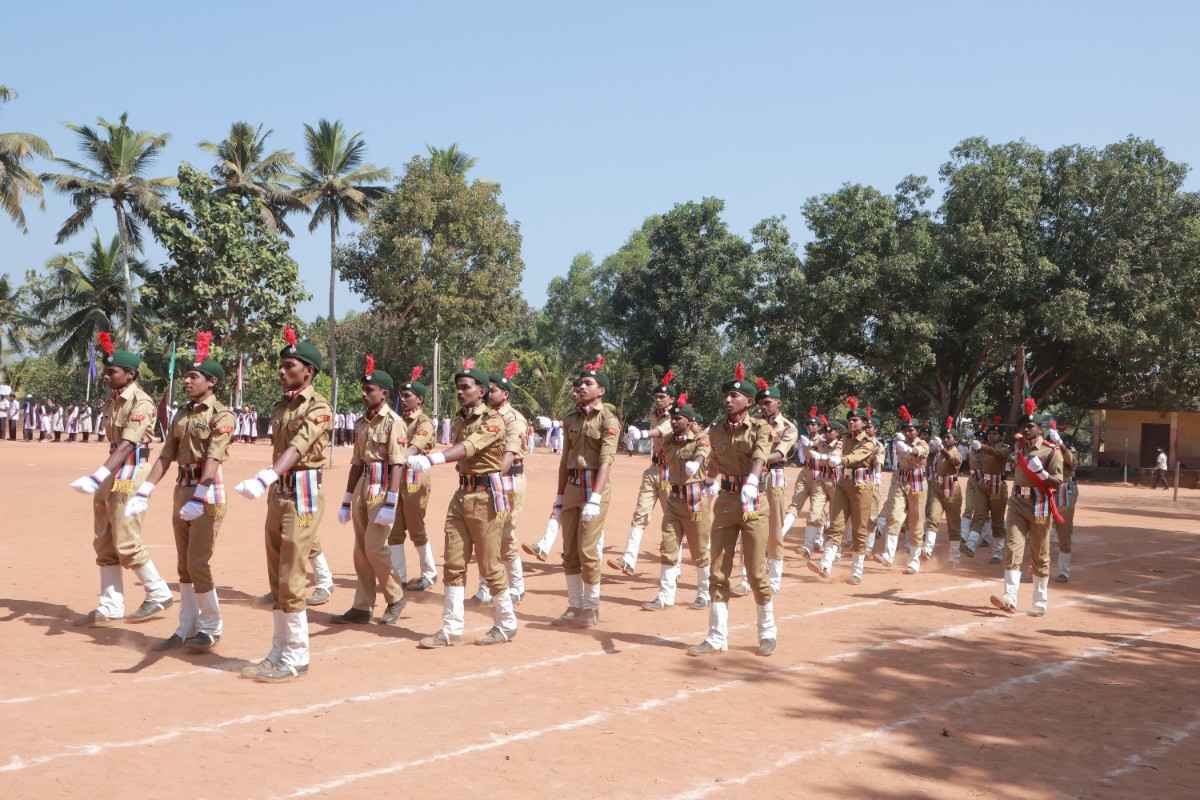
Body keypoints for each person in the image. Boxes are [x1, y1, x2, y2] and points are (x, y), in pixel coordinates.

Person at [234, 326, 333, 683]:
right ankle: (278, 650)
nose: (281, 371)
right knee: (277, 575)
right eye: (281, 365)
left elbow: (299, 446)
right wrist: (272, 480)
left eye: (289, 366)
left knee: (292, 576)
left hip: (302, 494)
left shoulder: (319, 407)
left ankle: (296, 656)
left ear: (308, 371)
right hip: (279, 493)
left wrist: (267, 475)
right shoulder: (281, 406)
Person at [125, 332, 234, 652]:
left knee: (198, 561)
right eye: (186, 375)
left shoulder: (221, 414)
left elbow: (214, 457)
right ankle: (186, 624)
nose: (186, 381)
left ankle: (211, 626)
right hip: (182, 488)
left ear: (211, 382)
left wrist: (200, 497)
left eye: (194, 376)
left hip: (207, 492)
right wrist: (145, 490)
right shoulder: (182, 413)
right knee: (184, 564)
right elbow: (167, 455)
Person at [410, 357, 517, 648]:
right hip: (462, 493)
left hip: (486, 496)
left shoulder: (493, 420)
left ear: (481, 391)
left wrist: (432, 459)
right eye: (458, 387)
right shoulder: (459, 419)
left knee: (489, 564)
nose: (460, 391)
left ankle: (506, 623)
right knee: (454, 563)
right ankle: (451, 628)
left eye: (466, 387)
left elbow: (469, 447)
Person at [68, 332, 173, 626]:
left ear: (130, 374)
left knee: (125, 536)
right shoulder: (113, 400)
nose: (106, 375)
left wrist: (99, 474)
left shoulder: (141, 402)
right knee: (104, 538)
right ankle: (110, 604)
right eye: (106, 370)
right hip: (114, 467)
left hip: (131, 469)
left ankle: (158, 592)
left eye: (111, 371)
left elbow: (128, 443)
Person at [687, 362, 776, 657]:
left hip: (753, 500)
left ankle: (767, 631)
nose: (727, 399)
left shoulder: (761, 427)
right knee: (718, 571)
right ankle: (716, 636)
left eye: (734, 396)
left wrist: (752, 480)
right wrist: (709, 481)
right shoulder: (717, 430)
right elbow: (715, 459)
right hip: (726, 500)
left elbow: (760, 455)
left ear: (748, 401)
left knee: (756, 572)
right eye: (726, 395)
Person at [329, 355, 408, 627]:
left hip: (383, 487)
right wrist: (346, 498)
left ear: (383, 393)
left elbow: (397, 463)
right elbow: (356, 463)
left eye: (369, 390)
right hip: (363, 485)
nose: (364, 394)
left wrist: (392, 500)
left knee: (375, 547)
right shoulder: (362, 423)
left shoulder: (394, 422)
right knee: (360, 550)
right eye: (363, 389)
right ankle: (362, 606)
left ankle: (396, 596)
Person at [546, 356, 620, 628]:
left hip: (594, 488)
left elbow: (607, 460)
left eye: (588, 383)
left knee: (587, 550)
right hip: (573, 487)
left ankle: (591, 607)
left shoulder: (608, 420)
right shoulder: (570, 419)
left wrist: (596, 498)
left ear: (601, 391)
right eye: (579, 383)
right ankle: (574, 605)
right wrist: (559, 496)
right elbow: (564, 460)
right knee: (569, 551)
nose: (581, 387)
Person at [991, 398, 1064, 616]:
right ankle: (1009, 597)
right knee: (1012, 547)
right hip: (1017, 502)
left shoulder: (1051, 451)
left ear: (1040, 428)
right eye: (1023, 426)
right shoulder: (1019, 448)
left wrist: (1042, 473)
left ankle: (1040, 602)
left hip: (1039, 503)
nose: (1026, 429)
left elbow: (1058, 482)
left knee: (1040, 553)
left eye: (1030, 425)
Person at [643, 393, 711, 610]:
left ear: (689, 421)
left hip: (695, 500)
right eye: (672, 418)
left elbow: (703, 451)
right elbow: (660, 444)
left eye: (678, 418)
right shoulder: (668, 440)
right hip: (674, 498)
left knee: (699, 549)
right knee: (668, 546)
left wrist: (697, 463)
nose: (673, 421)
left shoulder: (700, 439)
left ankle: (704, 593)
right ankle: (665, 596)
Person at [472, 361, 529, 605]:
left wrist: (492, 476)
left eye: (493, 390)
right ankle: (485, 586)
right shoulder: (484, 416)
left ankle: (517, 586)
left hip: (508, 479)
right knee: (485, 534)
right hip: (487, 479)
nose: (488, 393)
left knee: (506, 535)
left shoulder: (514, 418)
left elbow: (511, 452)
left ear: (505, 394)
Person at [611, 370, 676, 576]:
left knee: (672, 518)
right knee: (640, 514)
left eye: (662, 396)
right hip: (653, 469)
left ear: (671, 399)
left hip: (670, 472)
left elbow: (663, 430)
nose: (658, 399)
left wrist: (643, 433)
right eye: (656, 396)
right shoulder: (654, 414)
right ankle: (629, 559)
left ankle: (675, 565)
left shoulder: (676, 416)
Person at [809, 396, 878, 584]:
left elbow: (857, 456)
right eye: (850, 420)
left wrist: (840, 460)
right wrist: (825, 457)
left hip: (861, 486)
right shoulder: (845, 438)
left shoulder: (869, 442)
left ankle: (857, 570)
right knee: (836, 524)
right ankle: (826, 564)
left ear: (864, 423)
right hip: (843, 484)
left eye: (855, 420)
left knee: (859, 529)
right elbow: (837, 452)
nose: (851, 422)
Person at [390, 366, 438, 591]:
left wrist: (397, 458)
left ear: (419, 399)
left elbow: (415, 447)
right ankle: (398, 576)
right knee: (394, 529)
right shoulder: (398, 420)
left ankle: (429, 573)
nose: (403, 399)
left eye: (407, 395)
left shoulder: (423, 422)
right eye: (401, 395)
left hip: (415, 478)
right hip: (397, 477)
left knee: (416, 527)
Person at [873, 405, 930, 573]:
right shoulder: (899, 443)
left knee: (916, 522)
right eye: (905, 429)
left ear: (917, 431)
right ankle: (888, 555)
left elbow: (920, 452)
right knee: (895, 517)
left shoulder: (923, 443)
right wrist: (901, 445)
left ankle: (914, 561)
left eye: (911, 430)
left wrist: (910, 449)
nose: (908, 432)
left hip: (917, 484)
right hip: (901, 481)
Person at [754, 378, 797, 594]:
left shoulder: (787, 427)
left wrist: (757, 459)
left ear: (778, 403)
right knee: (751, 523)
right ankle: (749, 574)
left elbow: (780, 453)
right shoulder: (753, 423)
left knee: (774, 526)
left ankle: (774, 576)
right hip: (753, 475)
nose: (764, 407)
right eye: (761, 403)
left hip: (773, 475)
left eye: (768, 402)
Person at [961, 421, 1011, 561]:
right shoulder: (981, 448)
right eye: (990, 434)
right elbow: (975, 464)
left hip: (997, 486)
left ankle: (998, 552)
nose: (991, 436)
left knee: (997, 521)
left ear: (1000, 436)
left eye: (995, 434)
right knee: (979, 515)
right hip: (983, 484)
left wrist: (983, 447)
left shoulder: (1005, 448)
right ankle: (970, 545)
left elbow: (999, 454)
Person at [924, 417, 964, 564]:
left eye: (949, 437)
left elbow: (955, 461)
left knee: (953, 523)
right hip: (937, 486)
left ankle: (954, 556)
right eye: (944, 437)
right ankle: (927, 550)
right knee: (933, 518)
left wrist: (941, 448)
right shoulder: (939, 452)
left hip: (951, 488)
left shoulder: (956, 452)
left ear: (955, 440)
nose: (946, 439)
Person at [1047, 421, 1078, 582]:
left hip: (1064, 491)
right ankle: (1039, 568)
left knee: (1064, 532)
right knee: (1039, 530)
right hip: (1046, 490)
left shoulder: (1069, 450)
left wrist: (1060, 444)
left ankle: (1063, 571)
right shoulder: (1046, 449)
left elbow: (1072, 462)